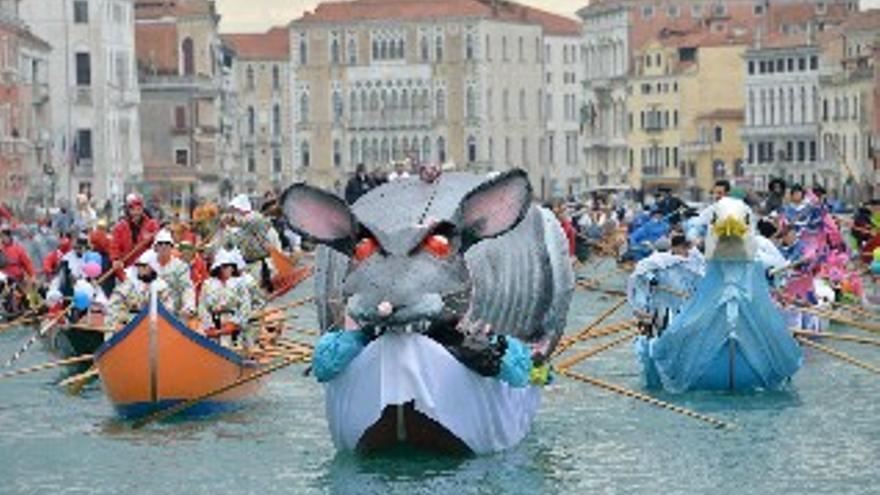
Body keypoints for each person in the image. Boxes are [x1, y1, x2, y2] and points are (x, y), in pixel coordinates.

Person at [198, 248, 253, 347]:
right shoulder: (208, 284)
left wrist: (235, 323)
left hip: (233, 324)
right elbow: (202, 306)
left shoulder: (240, 284)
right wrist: (208, 325)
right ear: (218, 268)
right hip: (214, 323)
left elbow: (246, 305)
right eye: (223, 266)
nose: (226, 269)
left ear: (233, 268)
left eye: (229, 266)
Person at [107, 250, 171, 329]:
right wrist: (116, 324)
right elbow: (113, 306)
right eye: (139, 266)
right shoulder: (129, 285)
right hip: (127, 327)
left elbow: (168, 311)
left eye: (144, 266)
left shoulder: (162, 288)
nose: (140, 269)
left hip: (152, 328)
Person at [110, 193, 160, 275]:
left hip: (147, 267)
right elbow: (114, 246)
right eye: (133, 209)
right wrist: (115, 259)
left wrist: (152, 239)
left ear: (142, 210)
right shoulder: (120, 227)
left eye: (138, 209)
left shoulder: (152, 224)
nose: (136, 213)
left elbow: (159, 244)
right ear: (128, 211)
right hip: (127, 266)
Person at [152, 229, 195, 319]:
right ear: (155, 248)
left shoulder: (181, 266)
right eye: (160, 244)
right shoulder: (147, 265)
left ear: (172, 247)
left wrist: (188, 306)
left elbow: (187, 288)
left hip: (174, 314)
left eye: (167, 244)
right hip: (149, 312)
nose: (163, 247)